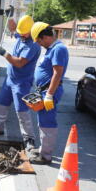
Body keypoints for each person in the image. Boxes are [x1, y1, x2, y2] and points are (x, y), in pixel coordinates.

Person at [0, 15, 41, 152]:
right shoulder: (22, 35)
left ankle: (29, 138)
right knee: (1, 103)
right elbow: (13, 28)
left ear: (30, 31)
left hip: (21, 82)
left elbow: (19, 63)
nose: (21, 35)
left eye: (23, 32)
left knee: (22, 110)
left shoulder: (33, 45)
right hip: (10, 79)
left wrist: (5, 54)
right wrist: (10, 18)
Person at [29, 22, 69, 164]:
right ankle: (43, 149)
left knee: (47, 122)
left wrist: (49, 95)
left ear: (45, 37)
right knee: (43, 120)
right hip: (46, 91)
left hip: (50, 92)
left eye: (39, 41)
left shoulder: (59, 49)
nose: (39, 44)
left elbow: (57, 74)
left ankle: (46, 156)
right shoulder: (52, 49)